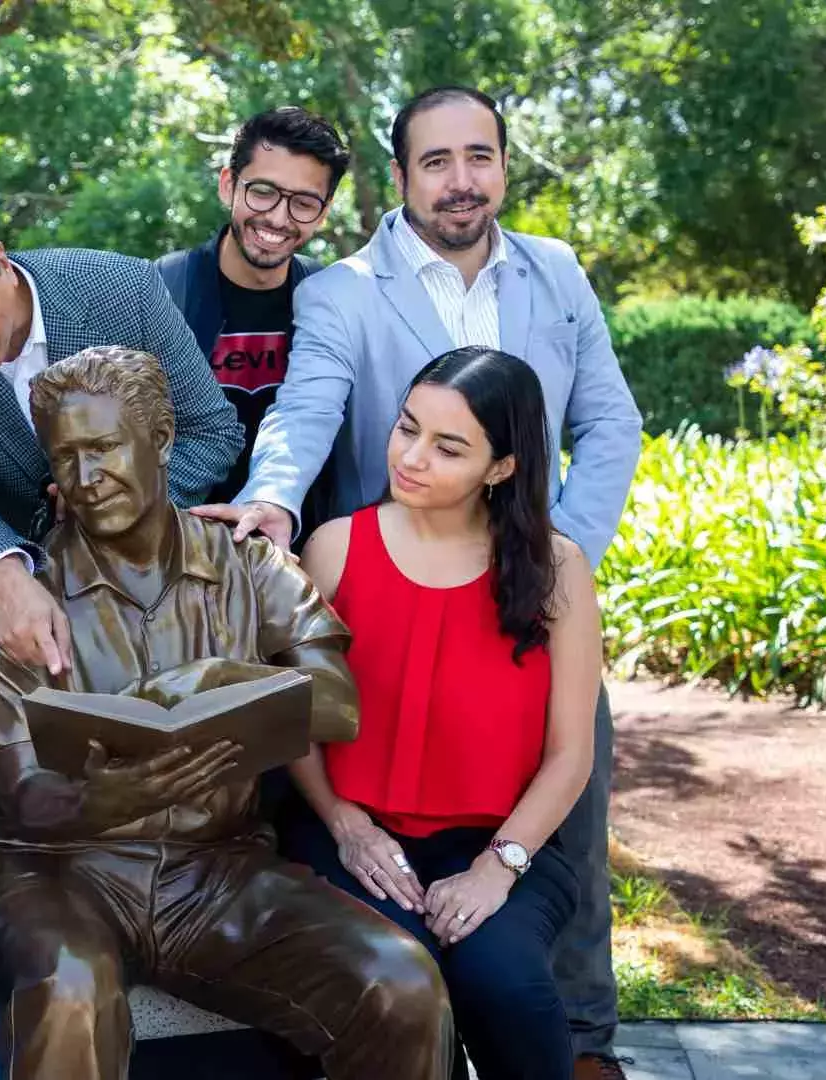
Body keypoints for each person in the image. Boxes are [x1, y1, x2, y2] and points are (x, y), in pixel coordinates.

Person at [199, 86, 642, 1078]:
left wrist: (543, 560)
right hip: (391, 604)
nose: (461, 179)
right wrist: (273, 501)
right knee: (375, 851)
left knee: (568, 816)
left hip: (531, 608)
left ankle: (583, 1049)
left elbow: (611, 424)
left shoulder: (557, 274)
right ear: (401, 178)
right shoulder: (344, 292)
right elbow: (305, 413)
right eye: (436, 161)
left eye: (478, 157)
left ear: (502, 166)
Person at [0, 346, 453, 1080]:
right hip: (53, 872)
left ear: (160, 439)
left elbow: (337, 703)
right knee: (68, 990)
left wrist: (221, 677)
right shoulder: (27, 600)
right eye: (66, 459)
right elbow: (22, 793)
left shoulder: (251, 567)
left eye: (104, 448)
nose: (86, 480)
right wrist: (106, 799)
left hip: (218, 870)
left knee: (401, 985)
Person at [285, 346, 600, 1080]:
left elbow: (570, 754)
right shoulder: (333, 549)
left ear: (501, 467)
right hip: (347, 834)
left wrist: (498, 867)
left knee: (507, 985)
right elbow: (295, 718)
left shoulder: (558, 570)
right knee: (404, 978)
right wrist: (344, 824)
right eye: (407, 428)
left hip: (500, 845)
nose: (412, 456)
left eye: (448, 446)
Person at [0, 194, 243, 767]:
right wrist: (6, 579)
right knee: (9, 772)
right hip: (2, 556)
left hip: (152, 570)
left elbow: (211, 429)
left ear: (1, 259)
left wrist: (127, 505)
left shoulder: (123, 289)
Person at [155, 106, 348, 523]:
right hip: (174, 541)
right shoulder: (161, 289)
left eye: (304, 203)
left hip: (294, 543)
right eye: (262, 192)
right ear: (228, 185)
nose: (278, 218)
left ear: (324, 212)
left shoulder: (334, 297)